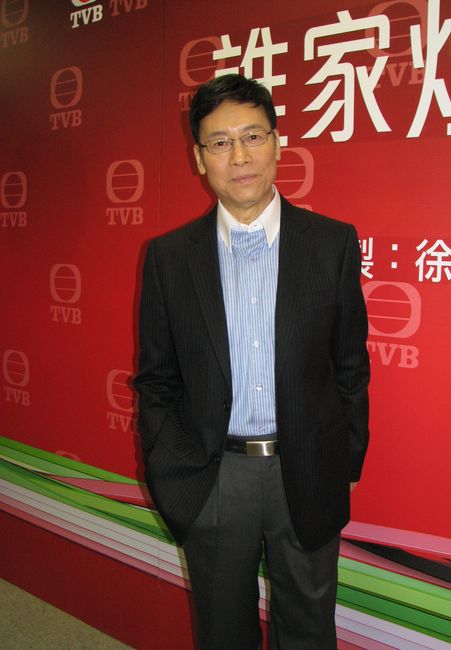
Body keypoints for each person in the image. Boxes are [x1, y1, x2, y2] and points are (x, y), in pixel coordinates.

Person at [134, 73, 370, 650]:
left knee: (308, 629)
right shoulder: (169, 258)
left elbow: (350, 365)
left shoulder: (331, 243)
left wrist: (343, 460)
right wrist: (172, 467)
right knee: (223, 633)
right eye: (220, 142)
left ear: (277, 143)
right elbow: (157, 379)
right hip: (214, 474)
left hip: (307, 470)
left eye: (252, 136)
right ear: (199, 157)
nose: (239, 156)